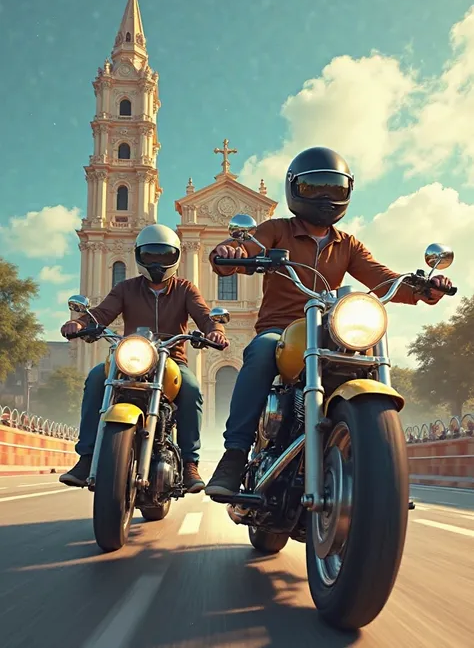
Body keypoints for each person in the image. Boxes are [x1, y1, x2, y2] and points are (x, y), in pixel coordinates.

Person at [205, 146, 452, 496]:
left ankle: (374, 463)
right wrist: (231, 253)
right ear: (295, 190)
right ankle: (234, 455)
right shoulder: (277, 230)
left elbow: (381, 277)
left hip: (329, 330)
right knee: (260, 352)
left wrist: (423, 288)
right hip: (282, 330)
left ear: (347, 193)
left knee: (365, 358)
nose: (324, 196)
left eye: (334, 188)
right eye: (313, 187)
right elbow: (246, 251)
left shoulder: (348, 245)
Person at [59, 224, 228, 492]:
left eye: (163, 256)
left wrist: (215, 331)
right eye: (150, 255)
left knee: (193, 388)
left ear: (175, 257)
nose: (157, 262)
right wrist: (80, 324)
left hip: (171, 358)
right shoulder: (126, 288)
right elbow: (102, 313)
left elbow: (205, 317)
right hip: (131, 356)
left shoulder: (185, 289)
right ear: (139, 256)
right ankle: (87, 457)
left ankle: (188, 463)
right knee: (94, 379)